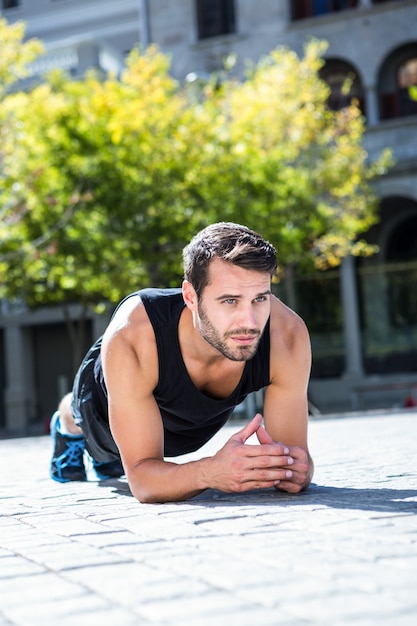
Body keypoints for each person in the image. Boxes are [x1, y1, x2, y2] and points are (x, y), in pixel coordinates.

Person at [50, 222, 314, 503]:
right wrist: (211, 472)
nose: (249, 322)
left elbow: (292, 461)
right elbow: (143, 482)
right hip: (104, 411)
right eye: (229, 301)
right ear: (190, 297)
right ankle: (66, 425)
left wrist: (296, 471)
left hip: (194, 424)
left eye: (260, 298)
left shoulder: (286, 336)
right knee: (101, 444)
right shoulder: (135, 336)